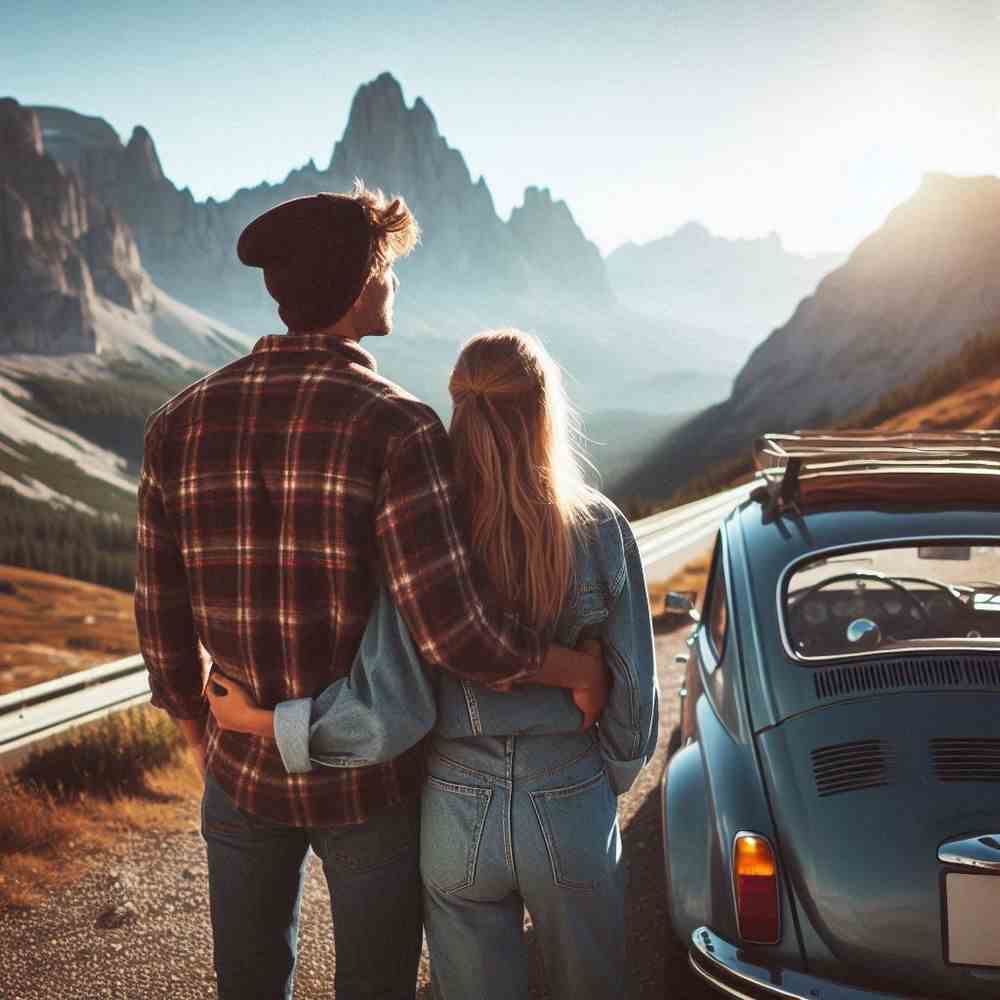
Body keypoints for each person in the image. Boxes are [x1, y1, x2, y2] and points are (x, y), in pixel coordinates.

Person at [133, 187, 607, 1000]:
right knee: (377, 984)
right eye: (386, 268)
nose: (394, 284)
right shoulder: (399, 426)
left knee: (247, 981)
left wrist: (199, 737)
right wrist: (573, 669)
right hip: (367, 786)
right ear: (359, 285)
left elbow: (161, 619)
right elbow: (453, 632)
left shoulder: (179, 421)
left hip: (241, 770)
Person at [207, 329, 659, 1000]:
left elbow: (389, 705)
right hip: (570, 792)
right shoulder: (601, 528)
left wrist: (267, 722)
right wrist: (594, 783)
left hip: (456, 809)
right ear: (544, 409)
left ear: (458, 408)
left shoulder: (426, 533)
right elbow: (634, 707)